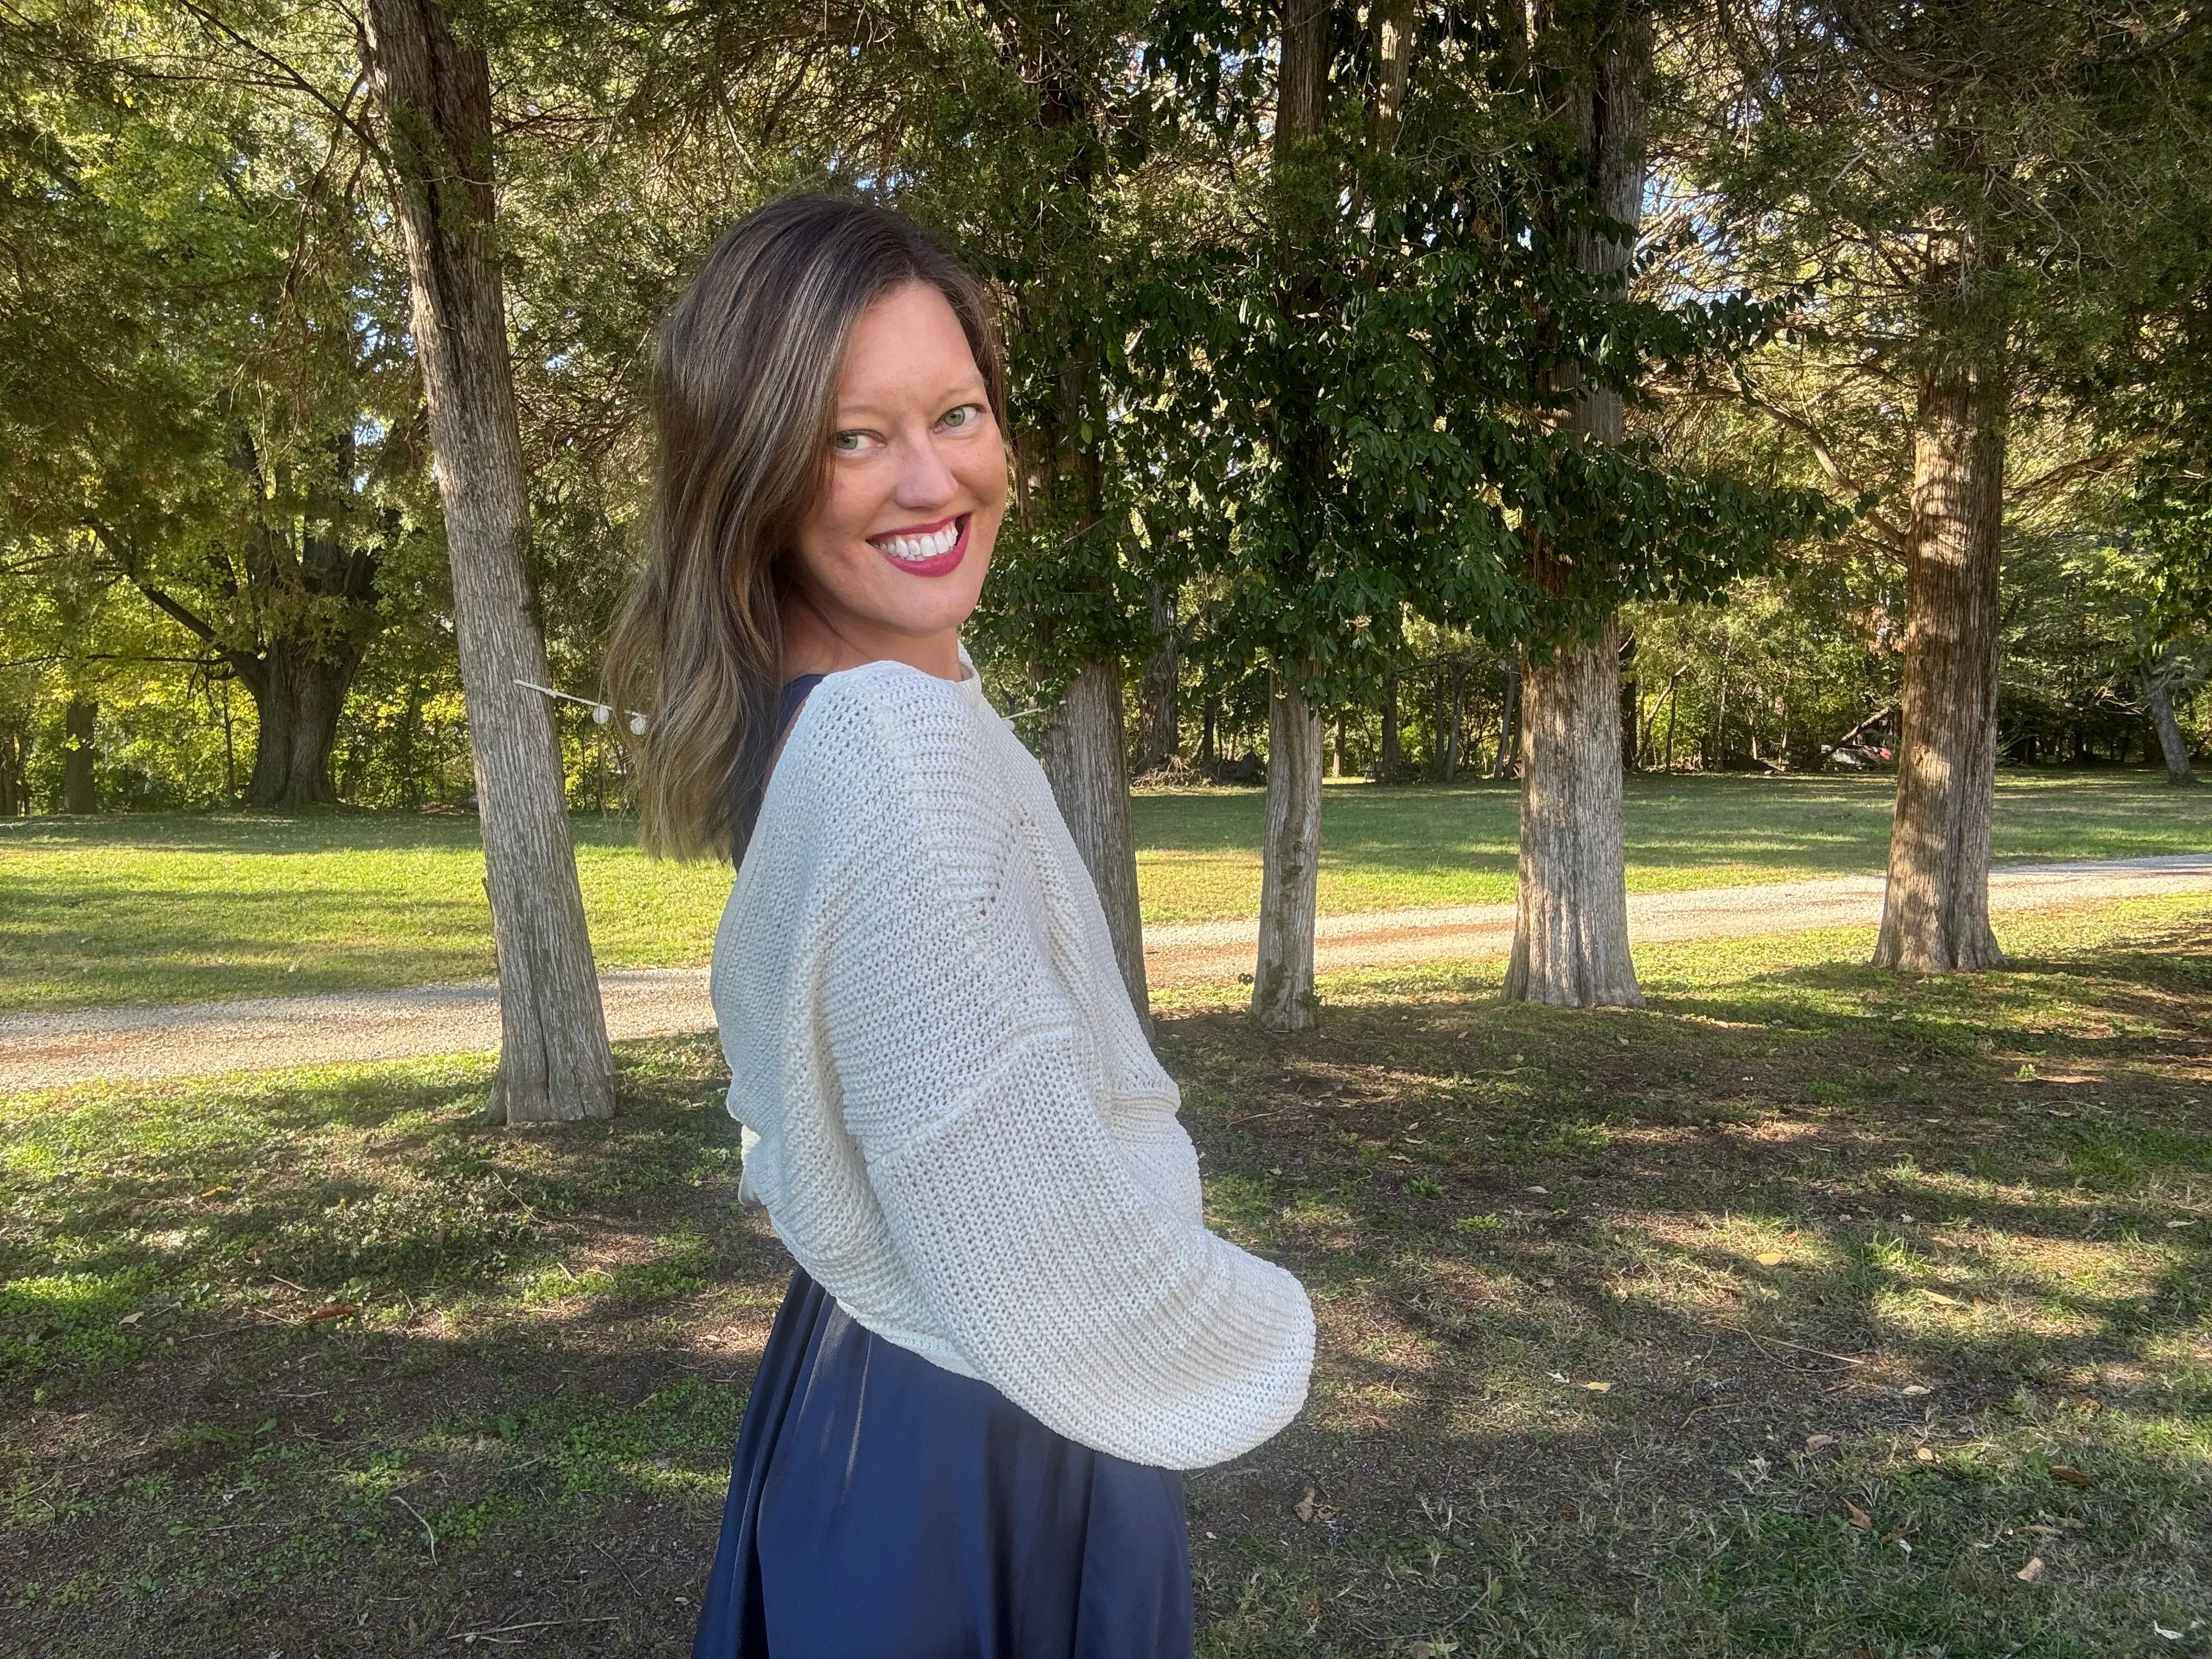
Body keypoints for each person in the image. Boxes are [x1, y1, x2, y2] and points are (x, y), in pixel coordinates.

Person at [606, 195, 1314, 1659]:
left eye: (960, 412)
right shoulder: (884, 744)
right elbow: (1027, 1225)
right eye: (851, 436)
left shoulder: (841, 707)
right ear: (757, 475)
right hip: (978, 1430)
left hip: (874, 1392)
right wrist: (1255, 1320)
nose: (932, 477)